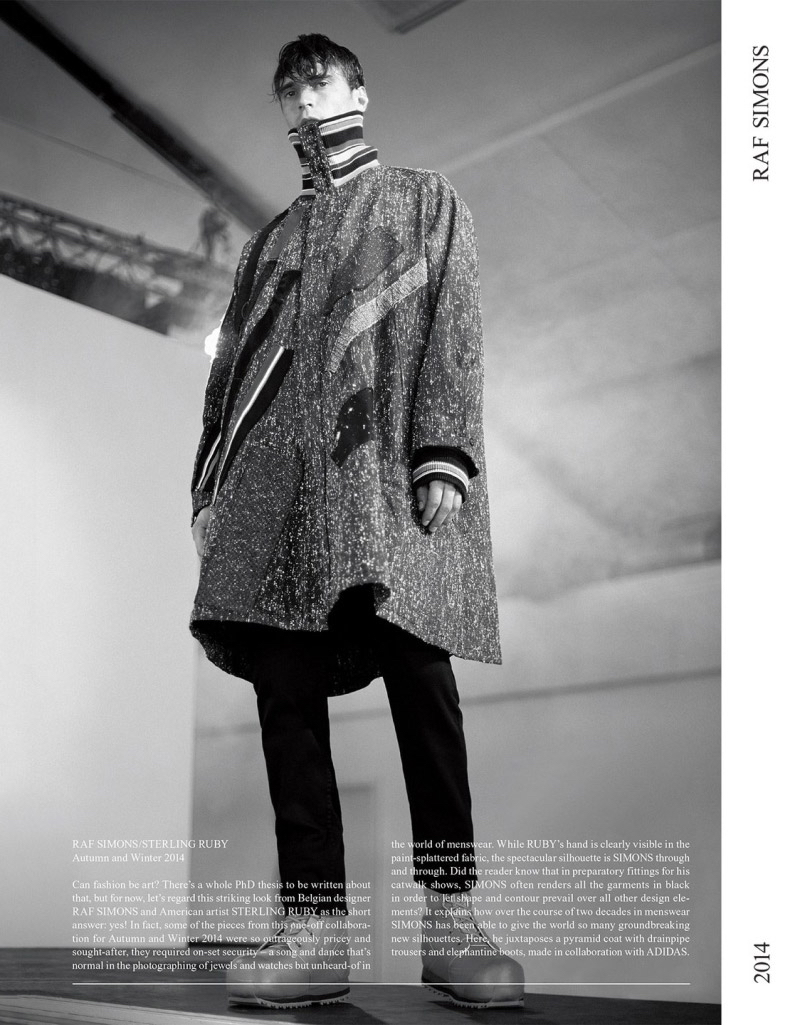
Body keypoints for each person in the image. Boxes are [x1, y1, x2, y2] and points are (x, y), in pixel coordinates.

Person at [189, 33, 524, 1010]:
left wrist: (442, 449)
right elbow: (228, 379)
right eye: (289, 90)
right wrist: (209, 486)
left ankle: (453, 924)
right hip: (277, 497)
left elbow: (453, 323)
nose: (304, 101)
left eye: (320, 82)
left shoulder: (423, 199)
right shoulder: (266, 244)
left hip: (379, 478)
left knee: (424, 683)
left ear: (359, 92)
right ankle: (314, 931)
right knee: (283, 693)